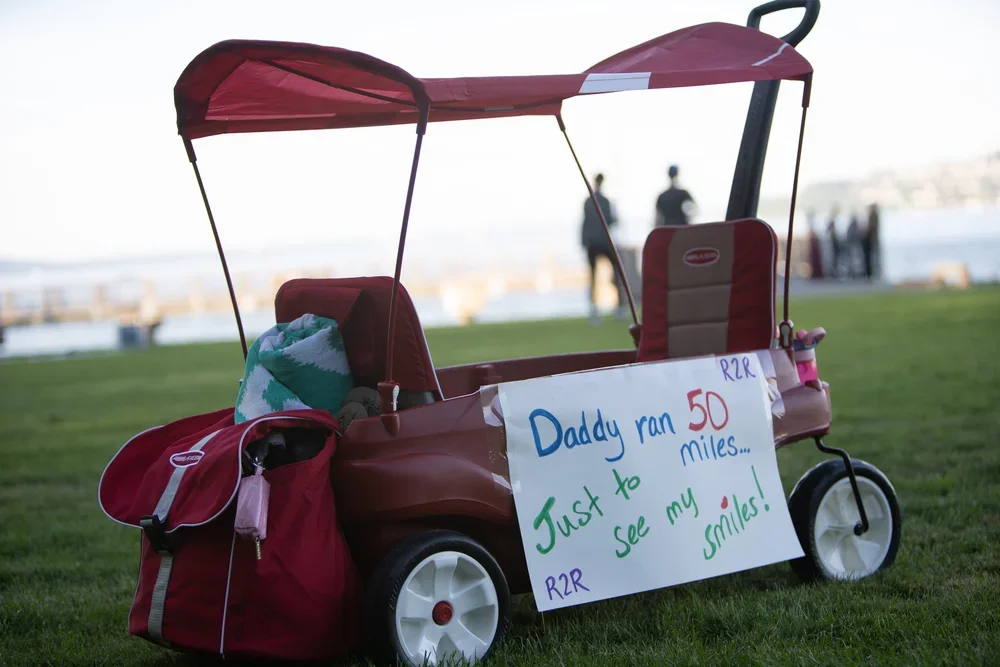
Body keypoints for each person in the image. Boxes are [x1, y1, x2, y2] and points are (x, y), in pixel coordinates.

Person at [580, 173, 626, 324]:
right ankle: (619, 308)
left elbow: (585, 223)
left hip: (592, 244)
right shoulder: (605, 201)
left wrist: (584, 242)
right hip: (603, 243)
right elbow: (612, 221)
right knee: (616, 272)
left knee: (593, 277)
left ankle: (595, 310)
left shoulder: (588, 201)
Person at [863, 202, 881, 280]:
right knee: (873, 257)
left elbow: (872, 228)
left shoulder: (873, 215)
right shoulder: (875, 215)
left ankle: (872, 274)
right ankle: (872, 273)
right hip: (873, 239)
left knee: (872, 257)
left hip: (871, 240)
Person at [806, 209, 824, 280]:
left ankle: (817, 273)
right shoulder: (811, 223)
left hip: (814, 241)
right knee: (814, 259)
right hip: (813, 241)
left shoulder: (812, 222)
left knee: (815, 258)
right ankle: (816, 273)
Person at [826, 206, 841, 279]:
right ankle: (833, 273)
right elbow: (828, 231)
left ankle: (835, 272)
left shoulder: (834, 221)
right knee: (833, 257)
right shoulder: (831, 221)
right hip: (833, 242)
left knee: (835, 258)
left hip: (835, 241)